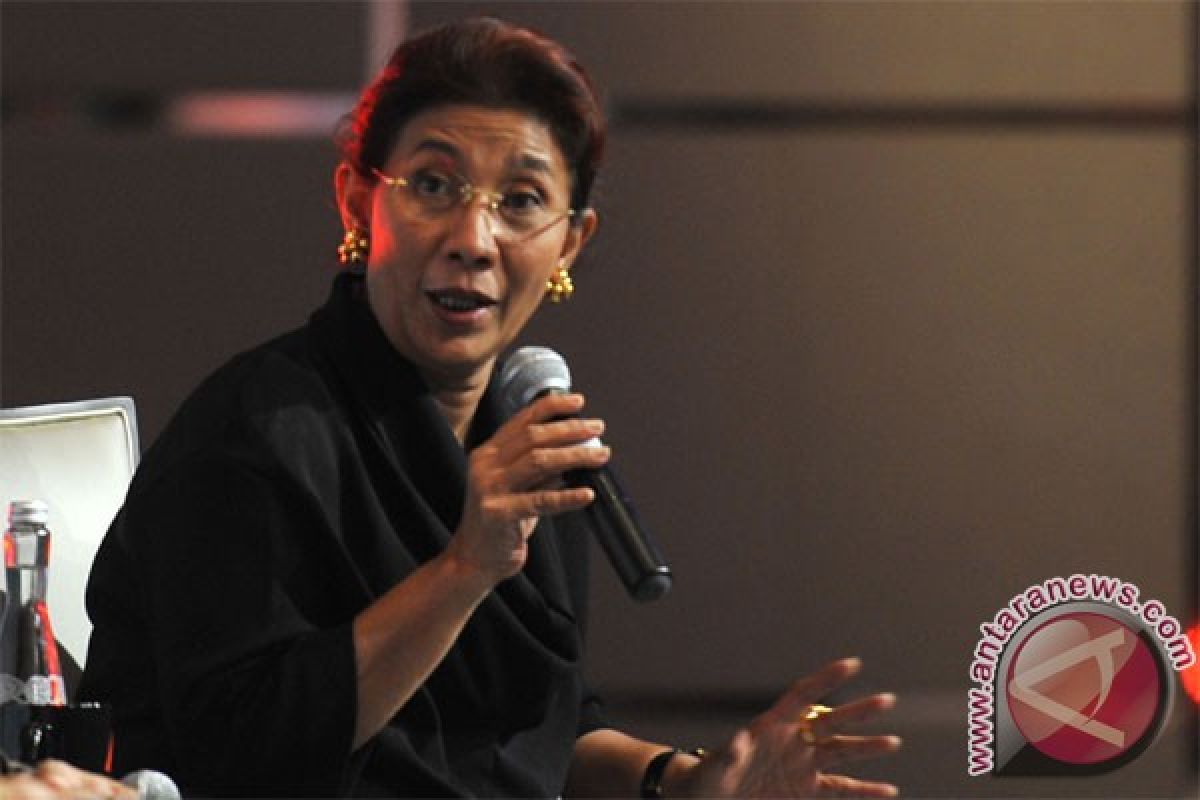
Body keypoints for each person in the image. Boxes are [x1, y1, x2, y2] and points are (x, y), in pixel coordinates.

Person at [80, 17, 901, 797]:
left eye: (521, 200)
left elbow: (535, 733)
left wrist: (681, 781)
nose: (473, 239)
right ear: (357, 201)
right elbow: (242, 755)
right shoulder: (251, 436)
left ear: (570, 242)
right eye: (434, 185)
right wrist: (464, 570)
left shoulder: (527, 439)